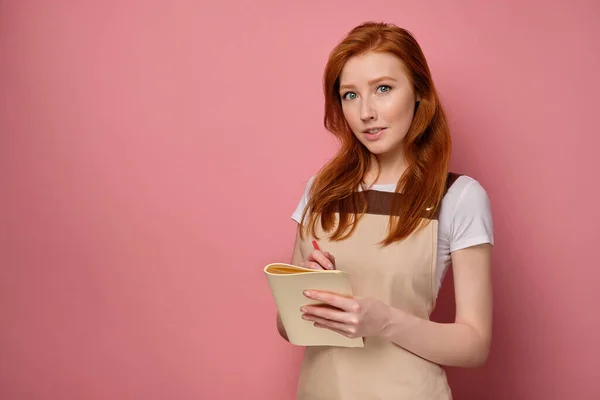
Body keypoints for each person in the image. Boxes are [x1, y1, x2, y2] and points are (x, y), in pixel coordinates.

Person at [275, 21, 494, 399]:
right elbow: (286, 325)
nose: (366, 113)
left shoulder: (458, 197)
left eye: (383, 89)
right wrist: (304, 293)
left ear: (419, 94)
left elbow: (474, 344)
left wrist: (385, 322)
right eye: (350, 95)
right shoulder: (320, 191)